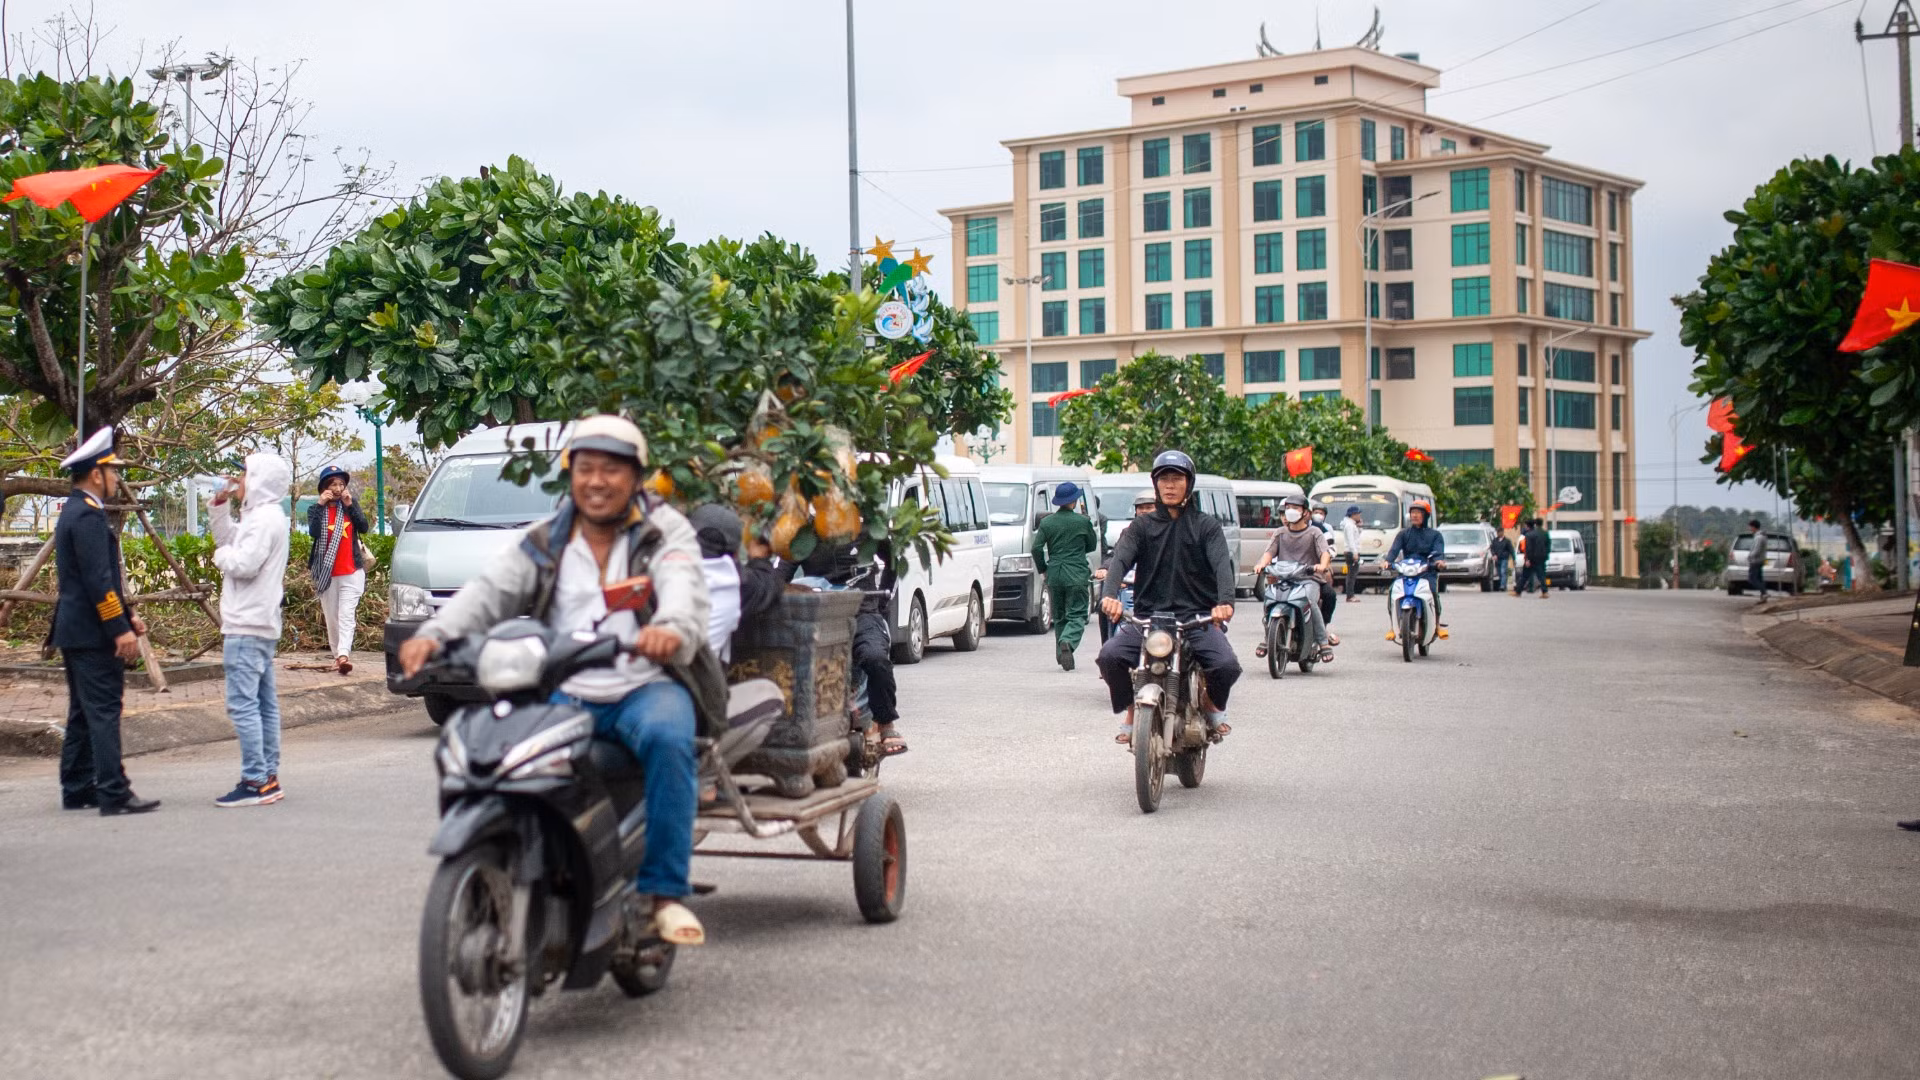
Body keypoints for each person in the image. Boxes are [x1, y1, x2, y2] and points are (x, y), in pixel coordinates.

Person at [398, 416, 722, 947]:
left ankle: (665, 894)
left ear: (636, 478)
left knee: (669, 741)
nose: (597, 481)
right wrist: (434, 635)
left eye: (611, 471)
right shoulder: (545, 539)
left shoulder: (665, 530)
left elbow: (683, 583)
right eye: (586, 469)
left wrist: (671, 628)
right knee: (492, 751)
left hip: (646, 685)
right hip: (568, 692)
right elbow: (489, 593)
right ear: (571, 475)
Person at [1096, 451, 1240, 745]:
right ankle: (1133, 710)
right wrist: (1110, 595)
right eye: (1164, 479)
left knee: (1226, 666)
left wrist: (1225, 602)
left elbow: (1221, 565)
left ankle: (1212, 706)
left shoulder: (1206, 526)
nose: (1170, 485)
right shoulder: (1141, 527)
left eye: (1177, 479)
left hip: (1197, 619)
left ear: (1189, 484)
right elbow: (1120, 561)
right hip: (1148, 618)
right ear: (1156, 484)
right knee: (1109, 657)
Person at [52, 428, 159, 816]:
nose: (117, 478)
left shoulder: (79, 511)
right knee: (103, 710)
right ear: (96, 474)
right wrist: (120, 629)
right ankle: (113, 790)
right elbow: (98, 582)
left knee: (83, 709)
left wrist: (128, 614)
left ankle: (78, 786)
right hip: (92, 631)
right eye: (113, 471)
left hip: (78, 628)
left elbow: (101, 579)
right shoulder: (87, 515)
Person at [208, 453, 293, 808]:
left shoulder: (263, 521)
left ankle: (255, 779)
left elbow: (242, 562)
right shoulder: (263, 516)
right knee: (263, 704)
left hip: (247, 622)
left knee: (243, 705)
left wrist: (219, 559)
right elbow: (229, 539)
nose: (239, 480)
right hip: (259, 621)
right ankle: (267, 776)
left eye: (245, 474)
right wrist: (218, 506)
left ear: (258, 479)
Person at [1253, 493, 1334, 664]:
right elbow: (1269, 552)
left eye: (1295, 508)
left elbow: (1324, 553)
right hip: (1283, 579)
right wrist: (1261, 564)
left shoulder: (1314, 532)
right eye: (1288, 508)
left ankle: (1323, 642)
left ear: (1305, 512)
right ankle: (1269, 638)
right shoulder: (1280, 532)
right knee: (1269, 600)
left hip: (1308, 579)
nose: (1291, 511)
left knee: (1310, 603)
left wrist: (1322, 565)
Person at [308, 465, 372, 675]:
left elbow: (363, 527)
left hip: (352, 571)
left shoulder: (350, 506)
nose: (337, 488)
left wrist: (350, 505)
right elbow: (314, 532)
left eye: (341, 484)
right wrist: (320, 504)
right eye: (333, 484)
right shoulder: (316, 509)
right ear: (324, 488)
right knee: (332, 617)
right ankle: (337, 657)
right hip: (327, 573)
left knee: (346, 615)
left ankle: (344, 654)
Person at [1034, 481, 1098, 671]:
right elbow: (1092, 546)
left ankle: (1061, 655)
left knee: (1060, 615)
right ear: (1074, 501)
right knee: (1077, 614)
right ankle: (1067, 642)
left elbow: (1036, 548)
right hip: (1076, 572)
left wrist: (1043, 568)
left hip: (1054, 573)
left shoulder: (1047, 522)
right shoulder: (1082, 521)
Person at [1095, 490, 1159, 644]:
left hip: (1158, 589)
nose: (1144, 511)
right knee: (1104, 608)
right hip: (1131, 585)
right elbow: (1118, 556)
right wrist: (1105, 568)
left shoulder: (1167, 531)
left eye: (1149, 507)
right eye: (1140, 507)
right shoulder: (1129, 532)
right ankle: (1108, 643)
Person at [1384, 499, 1448, 638]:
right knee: (1392, 591)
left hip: (1427, 571)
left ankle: (1437, 625)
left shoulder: (1435, 535)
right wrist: (1387, 562)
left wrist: (1439, 563)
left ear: (1425, 516)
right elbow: (1394, 551)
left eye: (1418, 513)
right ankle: (1392, 626)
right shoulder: (1403, 534)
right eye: (1413, 512)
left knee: (1432, 591)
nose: (1415, 515)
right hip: (1407, 570)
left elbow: (1438, 553)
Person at [1521, 518, 1551, 599]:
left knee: (1525, 575)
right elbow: (1548, 545)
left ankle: (1518, 591)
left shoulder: (1530, 534)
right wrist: (1546, 554)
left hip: (1532, 558)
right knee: (1541, 575)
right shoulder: (1544, 533)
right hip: (1541, 557)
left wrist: (1527, 559)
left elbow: (1529, 548)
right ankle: (1544, 591)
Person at [1341, 504, 1366, 601]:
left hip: (1352, 551)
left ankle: (1351, 594)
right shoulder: (1349, 525)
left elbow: (1357, 536)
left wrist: (1359, 527)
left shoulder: (1352, 525)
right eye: (1358, 514)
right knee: (1351, 574)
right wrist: (1355, 552)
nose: (1360, 516)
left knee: (1353, 574)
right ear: (1353, 514)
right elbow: (1351, 540)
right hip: (1351, 552)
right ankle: (1350, 595)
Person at [1746, 519, 1769, 602]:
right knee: (1759, 579)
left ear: (1754, 527)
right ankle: (1763, 596)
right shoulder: (1761, 536)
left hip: (1756, 561)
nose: (1749, 529)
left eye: (1750, 527)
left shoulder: (1759, 537)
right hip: (1760, 560)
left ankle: (1764, 592)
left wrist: (1750, 556)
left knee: (1752, 579)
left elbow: (1757, 550)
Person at [1489, 527, 1515, 593]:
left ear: (1502, 532)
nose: (1498, 533)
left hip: (1504, 558)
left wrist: (1514, 558)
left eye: (1499, 532)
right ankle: (1503, 585)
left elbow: (1511, 550)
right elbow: (1492, 548)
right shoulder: (1495, 540)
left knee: (1503, 571)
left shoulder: (1507, 541)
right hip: (1497, 559)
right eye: (1497, 532)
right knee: (1499, 573)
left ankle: (1502, 586)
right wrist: (1494, 554)